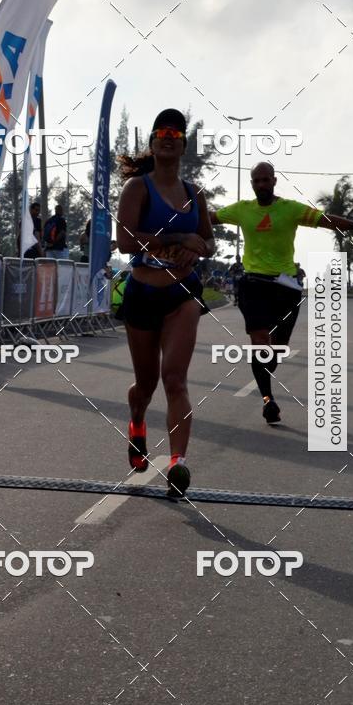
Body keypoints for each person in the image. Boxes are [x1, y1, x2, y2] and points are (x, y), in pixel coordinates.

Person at [210, 161, 353, 424]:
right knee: (260, 342)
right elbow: (208, 217)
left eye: (266, 180)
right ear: (252, 184)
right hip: (253, 284)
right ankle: (268, 400)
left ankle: (266, 381)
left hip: (285, 287)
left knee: (277, 350)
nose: (261, 185)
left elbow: (325, 220)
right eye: (257, 181)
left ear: (274, 181)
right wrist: (176, 213)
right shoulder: (242, 209)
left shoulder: (290, 209)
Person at [117, 108, 214, 496]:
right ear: (153, 143)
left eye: (175, 133)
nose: (168, 137)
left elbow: (208, 241)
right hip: (142, 293)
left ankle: (178, 464)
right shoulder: (137, 188)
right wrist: (177, 240)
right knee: (146, 384)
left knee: (175, 378)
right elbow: (125, 242)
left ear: (183, 145)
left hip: (182, 293)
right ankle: (137, 423)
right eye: (162, 133)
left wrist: (198, 247)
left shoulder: (195, 194)